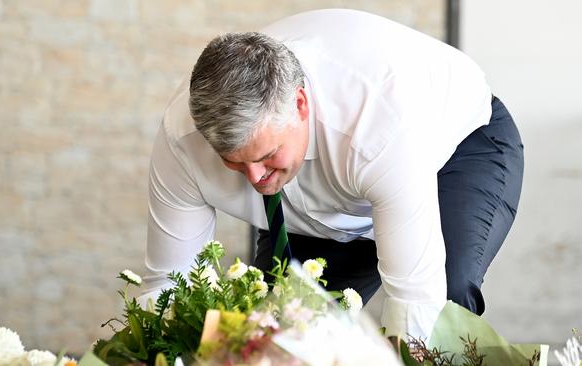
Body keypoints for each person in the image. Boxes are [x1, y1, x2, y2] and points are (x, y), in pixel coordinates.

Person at [142, 9, 524, 339]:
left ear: (301, 104)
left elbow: (415, 305)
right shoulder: (182, 141)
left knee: (445, 302)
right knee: (275, 331)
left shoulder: (376, 125)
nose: (256, 179)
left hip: (457, 149)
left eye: (268, 156)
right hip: (333, 197)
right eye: (235, 162)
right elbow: (168, 286)